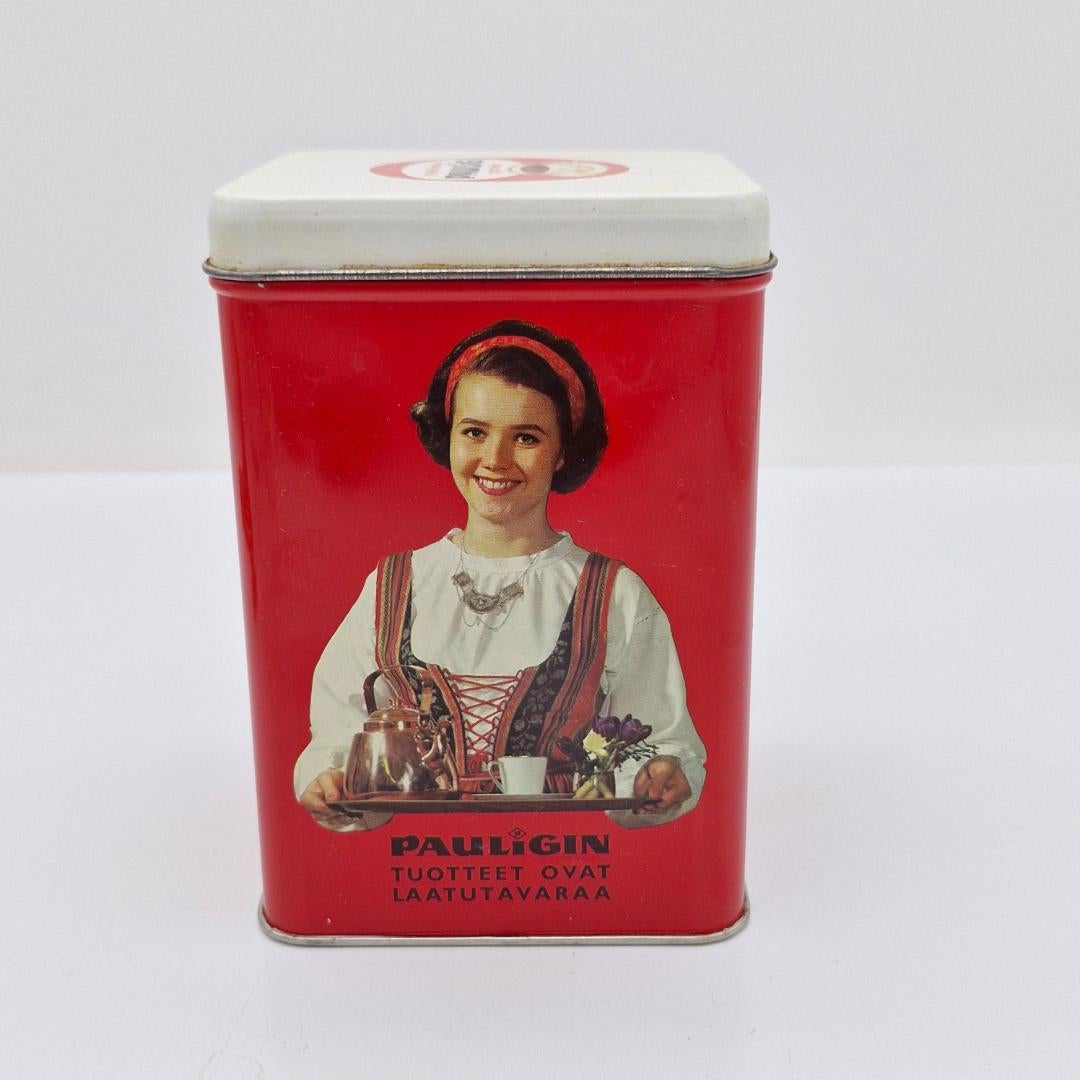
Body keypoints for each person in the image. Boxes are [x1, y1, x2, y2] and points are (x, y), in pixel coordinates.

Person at [295, 319, 706, 830]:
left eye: (526, 438)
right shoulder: (393, 583)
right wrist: (331, 780)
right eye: (475, 432)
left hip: (560, 852)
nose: (495, 459)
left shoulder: (614, 592)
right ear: (449, 435)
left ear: (562, 451)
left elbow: (658, 742)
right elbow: (337, 734)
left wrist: (659, 775)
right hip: (421, 856)